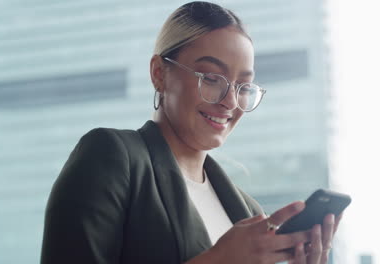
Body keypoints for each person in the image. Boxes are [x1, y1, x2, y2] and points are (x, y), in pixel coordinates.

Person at [40, 2, 342, 264]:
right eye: (212, 78)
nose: (229, 101)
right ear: (159, 73)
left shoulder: (247, 211)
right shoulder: (111, 156)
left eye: (242, 87)